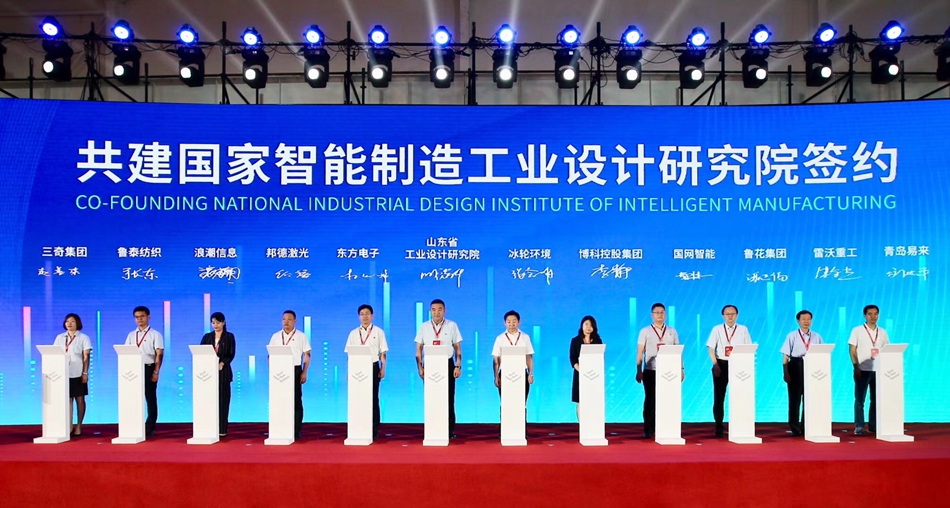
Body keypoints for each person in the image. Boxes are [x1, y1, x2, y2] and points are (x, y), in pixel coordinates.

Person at [414, 299, 463, 439]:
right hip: (430, 365)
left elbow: (457, 348)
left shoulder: (452, 325)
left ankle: (449, 431)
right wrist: (420, 367)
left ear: (444, 311)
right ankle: (432, 429)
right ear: (430, 311)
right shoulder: (424, 327)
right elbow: (418, 349)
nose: (437, 312)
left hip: (447, 364)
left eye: (440, 309)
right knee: (432, 398)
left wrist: (458, 365)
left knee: (449, 398)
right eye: (434, 309)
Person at [636, 303, 683, 438]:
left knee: (667, 400)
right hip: (651, 370)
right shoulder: (645, 331)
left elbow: (678, 351)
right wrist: (639, 370)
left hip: (669, 371)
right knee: (650, 400)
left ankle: (666, 427)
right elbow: (640, 351)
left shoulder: (672, 331)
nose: (660, 315)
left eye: (662, 312)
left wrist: (681, 369)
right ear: (652, 315)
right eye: (657, 312)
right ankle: (649, 429)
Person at [706, 304, 753, 438]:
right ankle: (718, 426)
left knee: (740, 395)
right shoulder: (717, 329)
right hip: (721, 363)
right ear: (723, 316)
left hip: (738, 364)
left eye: (733, 314)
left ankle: (740, 424)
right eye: (727, 314)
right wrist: (715, 364)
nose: (730, 316)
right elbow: (711, 348)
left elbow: (749, 348)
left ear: (737, 315)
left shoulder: (743, 329)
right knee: (719, 397)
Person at [345, 304, 388, 440]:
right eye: (362, 314)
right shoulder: (353, 333)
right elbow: (349, 355)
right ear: (359, 316)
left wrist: (383, 368)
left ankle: (374, 429)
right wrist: (349, 371)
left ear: (372, 316)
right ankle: (358, 427)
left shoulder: (379, 332)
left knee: (373, 398)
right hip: (356, 369)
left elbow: (383, 353)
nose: (364, 316)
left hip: (373, 367)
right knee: (357, 398)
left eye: (367, 314)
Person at [269, 310, 311, 440]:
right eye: (284, 319)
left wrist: (304, 372)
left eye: (289, 319)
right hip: (279, 371)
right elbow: (270, 355)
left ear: (295, 321)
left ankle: (296, 430)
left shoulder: (301, 336)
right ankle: (280, 428)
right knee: (280, 400)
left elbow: (307, 355)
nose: (286, 321)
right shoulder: (276, 336)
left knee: (296, 400)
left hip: (295, 369)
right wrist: (272, 370)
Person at [781, 310, 823, 437]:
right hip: (795, 366)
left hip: (812, 367)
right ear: (798, 321)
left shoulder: (817, 336)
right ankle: (795, 427)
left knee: (810, 399)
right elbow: (785, 356)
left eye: (808, 319)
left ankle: (807, 426)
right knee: (795, 399)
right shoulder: (792, 335)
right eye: (803, 319)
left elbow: (822, 353)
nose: (806, 321)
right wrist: (786, 372)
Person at [848, 304, 889, 435]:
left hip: (878, 370)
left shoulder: (882, 332)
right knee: (860, 399)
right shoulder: (857, 330)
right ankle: (859, 426)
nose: (873, 316)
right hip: (862, 369)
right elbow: (852, 350)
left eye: (875, 314)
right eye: (870, 314)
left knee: (876, 400)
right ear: (865, 315)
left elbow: (887, 350)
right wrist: (856, 366)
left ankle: (873, 425)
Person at [124, 306, 164, 438]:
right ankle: (134, 423)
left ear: (148, 317)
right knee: (133, 397)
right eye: (137, 317)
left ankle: (150, 426)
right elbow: (126, 352)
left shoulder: (155, 334)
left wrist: (156, 372)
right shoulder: (131, 335)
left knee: (150, 397)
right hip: (133, 369)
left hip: (149, 367)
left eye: (142, 316)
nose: (139, 319)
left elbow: (159, 354)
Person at [491, 310, 535, 427]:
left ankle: (521, 429)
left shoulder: (525, 337)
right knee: (506, 403)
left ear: (519, 322)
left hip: (522, 374)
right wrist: (496, 376)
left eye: (514, 321)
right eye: (509, 321)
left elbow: (529, 356)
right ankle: (505, 429)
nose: (511, 324)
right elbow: (496, 359)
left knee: (521, 403)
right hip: (505, 374)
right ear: (505, 323)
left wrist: (530, 374)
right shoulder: (500, 338)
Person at [53, 313, 92, 437]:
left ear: (77, 323)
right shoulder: (60, 338)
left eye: (72, 321)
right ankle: (68, 426)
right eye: (67, 321)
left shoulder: (83, 338)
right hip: (63, 373)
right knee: (67, 400)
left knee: (80, 400)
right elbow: (54, 354)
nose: (69, 323)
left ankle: (79, 425)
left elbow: (86, 356)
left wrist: (85, 373)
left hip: (77, 372)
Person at [200, 311, 236, 437]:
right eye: (213, 322)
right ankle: (209, 427)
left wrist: (222, 363)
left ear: (224, 323)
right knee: (209, 402)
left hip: (223, 373)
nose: (215, 325)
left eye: (218, 322)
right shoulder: (207, 337)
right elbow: (201, 352)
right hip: (208, 375)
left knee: (223, 402)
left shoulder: (229, 336)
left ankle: (222, 429)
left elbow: (231, 354)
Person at [569, 316, 603, 421]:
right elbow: (572, 357)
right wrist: (581, 370)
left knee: (593, 400)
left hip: (594, 374)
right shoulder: (575, 340)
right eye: (586, 324)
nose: (588, 327)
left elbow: (600, 356)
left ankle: (592, 422)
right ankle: (582, 423)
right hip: (580, 374)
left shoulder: (597, 341)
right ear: (582, 325)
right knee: (580, 400)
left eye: (591, 325)